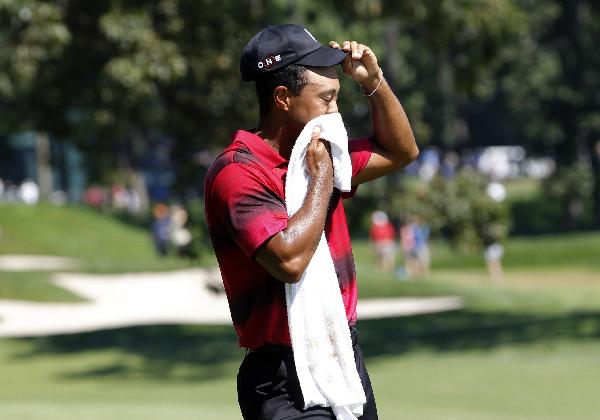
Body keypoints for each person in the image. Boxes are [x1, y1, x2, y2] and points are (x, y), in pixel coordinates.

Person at [204, 24, 418, 420]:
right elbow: (289, 261)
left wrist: (374, 84)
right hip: (282, 378)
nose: (335, 112)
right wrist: (320, 178)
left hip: (341, 357)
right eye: (326, 99)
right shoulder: (237, 172)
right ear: (283, 98)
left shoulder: (319, 153)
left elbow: (400, 151)